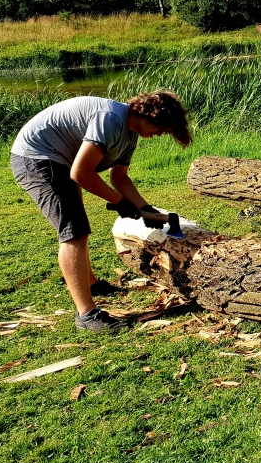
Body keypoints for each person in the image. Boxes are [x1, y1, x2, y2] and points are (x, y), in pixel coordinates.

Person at [10, 91, 192, 332]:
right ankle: (86, 315)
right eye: (163, 128)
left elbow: (120, 177)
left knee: (78, 227)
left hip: (61, 160)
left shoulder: (130, 132)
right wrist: (119, 203)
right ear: (150, 115)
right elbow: (81, 173)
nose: (161, 134)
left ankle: (92, 284)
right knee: (73, 232)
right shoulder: (111, 119)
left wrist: (144, 208)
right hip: (37, 157)